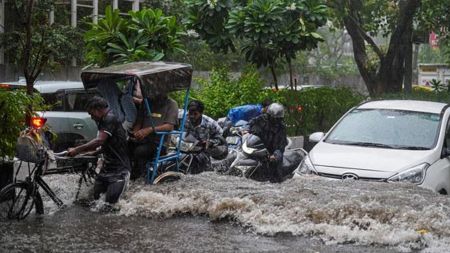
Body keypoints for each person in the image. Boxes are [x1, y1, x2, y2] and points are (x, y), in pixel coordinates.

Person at [67, 96, 130, 205]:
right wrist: (93, 153)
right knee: (96, 201)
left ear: (99, 109)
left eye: (91, 114)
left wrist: (76, 150)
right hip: (106, 169)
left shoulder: (110, 118)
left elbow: (99, 141)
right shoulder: (102, 120)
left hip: (120, 171)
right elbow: (108, 144)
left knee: (110, 204)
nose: (91, 117)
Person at [129, 92, 178, 180]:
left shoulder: (171, 104)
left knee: (139, 151)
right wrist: (135, 132)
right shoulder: (146, 102)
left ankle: (138, 177)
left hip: (159, 143)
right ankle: (125, 173)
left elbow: (169, 126)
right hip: (142, 139)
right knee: (124, 146)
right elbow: (139, 122)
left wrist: (149, 130)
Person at [248, 102, 288, 183]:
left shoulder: (281, 128)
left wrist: (274, 156)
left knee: (276, 169)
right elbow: (250, 125)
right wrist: (244, 130)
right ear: (269, 115)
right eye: (274, 118)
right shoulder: (260, 119)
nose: (276, 120)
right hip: (258, 147)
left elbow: (281, 145)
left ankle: (276, 182)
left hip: (272, 152)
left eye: (278, 118)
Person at [184, 100, 227, 173]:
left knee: (205, 173)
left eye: (195, 114)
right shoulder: (183, 119)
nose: (192, 116)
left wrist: (210, 142)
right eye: (190, 113)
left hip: (203, 151)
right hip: (185, 148)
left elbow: (220, 136)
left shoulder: (210, 123)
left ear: (201, 113)